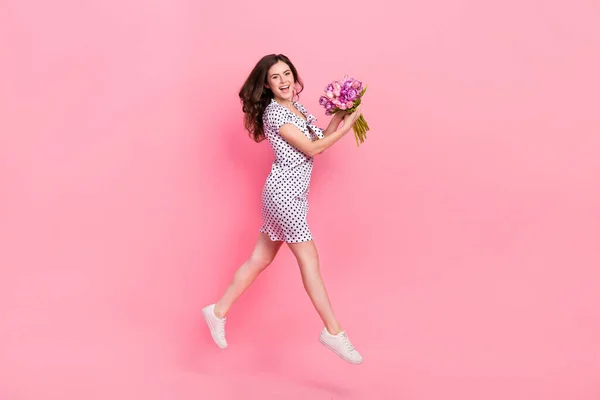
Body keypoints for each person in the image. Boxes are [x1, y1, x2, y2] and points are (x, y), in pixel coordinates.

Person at [202, 54, 363, 364]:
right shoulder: (276, 114)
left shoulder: (296, 109)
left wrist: (341, 115)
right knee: (310, 261)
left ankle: (218, 310)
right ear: (267, 84)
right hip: (284, 196)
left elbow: (320, 138)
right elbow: (314, 149)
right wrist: (349, 127)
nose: (283, 80)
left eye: (286, 73)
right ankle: (334, 331)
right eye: (275, 77)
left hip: (288, 195)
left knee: (260, 258)